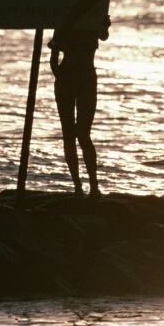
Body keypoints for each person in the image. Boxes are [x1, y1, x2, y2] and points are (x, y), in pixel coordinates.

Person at [50, 17, 110, 197]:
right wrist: (59, 75)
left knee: (83, 133)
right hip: (68, 78)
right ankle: (78, 186)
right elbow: (53, 56)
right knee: (69, 133)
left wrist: (103, 24)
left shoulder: (93, 18)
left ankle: (93, 186)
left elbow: (104, 36)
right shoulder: (65, 18)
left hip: (86, 79)